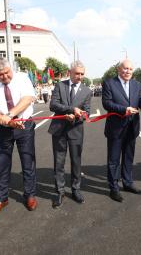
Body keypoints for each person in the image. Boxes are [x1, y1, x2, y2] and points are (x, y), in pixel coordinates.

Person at [0, 57, 37, 217]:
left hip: (24, 125)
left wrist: (10, 115)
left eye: (7, 73)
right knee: (2, 163)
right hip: (2, 129)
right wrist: (7, 121)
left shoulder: (22, 78)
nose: (5, 77)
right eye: (0, 75)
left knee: (28, 162)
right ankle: (1, 198)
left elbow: (27, 99)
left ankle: (30, 195)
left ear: (10, 68)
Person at [102, 59, 141, 202]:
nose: (128, 71)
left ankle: (128, 183)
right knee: (113, 160)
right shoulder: (109, 83)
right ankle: (114, 188)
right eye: (125, 69)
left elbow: (140, 99)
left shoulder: (136, 84)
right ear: (119, 69)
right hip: (116, 129)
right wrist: (124, 110)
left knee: (128, 158)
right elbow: (107, 103)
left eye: (130, 69)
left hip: (132, 127)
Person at [48, 61, 92, 208]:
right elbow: (53, 105)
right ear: (70, 72)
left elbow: (87, 113)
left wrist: (79, 115)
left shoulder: (86, 91)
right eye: (77, 73)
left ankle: (76, 189)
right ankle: (60, 192)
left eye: (82, 74)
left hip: (76, 130)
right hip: (59, 129)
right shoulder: (60, 85)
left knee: (76, 162)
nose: (79, 76)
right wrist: (70, 110)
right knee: (59, 163)